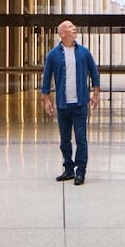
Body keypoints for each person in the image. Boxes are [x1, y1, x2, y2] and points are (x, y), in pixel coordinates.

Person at [41, 19, 100, 185]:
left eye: (74, 26)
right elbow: (46, 78)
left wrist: (95, 93)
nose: (74, 28)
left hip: (80, 104)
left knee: (81, 139)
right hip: (63, 105)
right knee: (64, 140)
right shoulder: (53, 55)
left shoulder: (84, 52)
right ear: (62, 33)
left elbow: (94, 73)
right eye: (69, 26)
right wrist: (46, 100)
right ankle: (68, 169)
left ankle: (80, 171)